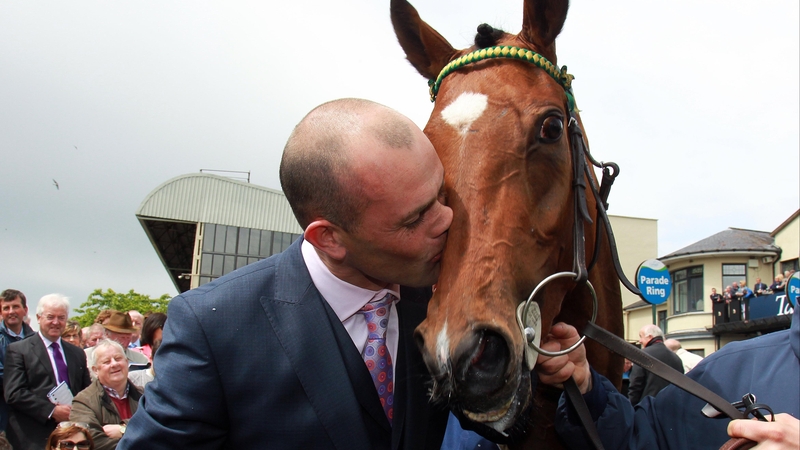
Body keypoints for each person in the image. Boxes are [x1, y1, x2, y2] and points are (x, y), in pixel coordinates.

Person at [118, 98, 454, 450]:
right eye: (414, 219)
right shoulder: (214, 329)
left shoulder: (449, 294)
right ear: (329, 238)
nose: (446, 218)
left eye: (443, 192)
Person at [536, 303, 800, 449]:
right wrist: (586, 389)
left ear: (648, 337)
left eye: (640, 338)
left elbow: (637, 388)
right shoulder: (728, 368)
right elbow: (636, 438)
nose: (639, 341)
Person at [3, 294, 92, 450]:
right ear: (38, 318)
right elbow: (14, 393)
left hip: (72, 436)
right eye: (50, 317)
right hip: (33, 434)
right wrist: (51, 411)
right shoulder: (19, 350)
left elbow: (86, 391)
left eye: (61, 317)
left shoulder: (77, 353)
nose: (56, 322)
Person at [71, 340, 142, 450]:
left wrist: (123, 429)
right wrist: (141, 438)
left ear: (127, 362)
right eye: (106, 362)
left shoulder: (146, 395)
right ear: (95, 370)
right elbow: (91, 442)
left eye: (118, 358)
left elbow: (160, 427)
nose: (114, 364)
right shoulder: (83, 402)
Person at [0, 289, 35, 432]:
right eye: (6, 308)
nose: (11, 311)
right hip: (3, 409)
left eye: (15, 306)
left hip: (31, 412)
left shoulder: (36, 339)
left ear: (25, 310)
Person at [627, 324, 683, 405]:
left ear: (650, 337)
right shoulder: (676, 358)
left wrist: (631, 408)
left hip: (648, 407)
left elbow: (635, 385)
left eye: (641, 336)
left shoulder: (641, 355)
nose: (640, 341)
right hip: (671, 406)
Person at [84, 313, 149, 373]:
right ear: (107, 334)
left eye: (128, 336)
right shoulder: (85, 356)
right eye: (122, 337)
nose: (125, 341)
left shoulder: (141, 359)